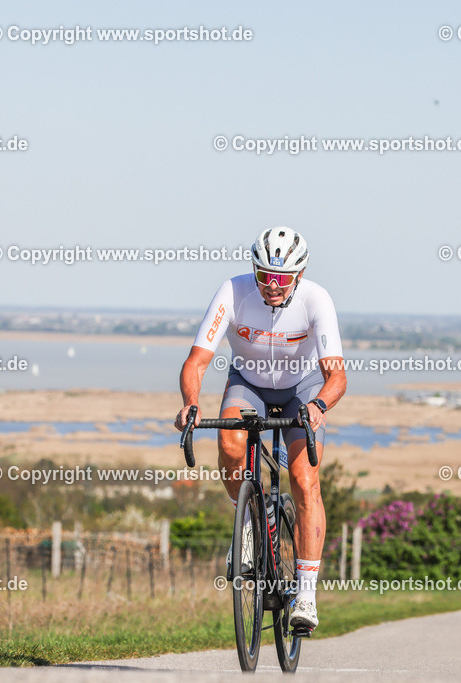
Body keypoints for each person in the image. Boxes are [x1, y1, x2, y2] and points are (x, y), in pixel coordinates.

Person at [174, 227, 346, 631]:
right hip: (248, 383)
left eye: (281, 278)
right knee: (230, 442)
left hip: (300, 389)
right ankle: (250, 521)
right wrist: (191, 403)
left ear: (298, 276)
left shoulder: (316, 299)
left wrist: (319, 405)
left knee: (305, 479)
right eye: (264, 274)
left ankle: (306, 594)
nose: (271, 285)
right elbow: (196, 362)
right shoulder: (232, 292)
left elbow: (336, 376)